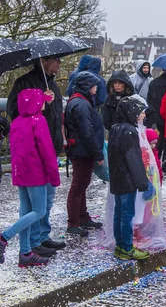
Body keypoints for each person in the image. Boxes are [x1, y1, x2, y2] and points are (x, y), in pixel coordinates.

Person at [7, 56, 65, 253]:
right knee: (38, 203)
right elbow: (15, 110)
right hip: (38, 152)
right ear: (44, 61)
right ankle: (33, 241)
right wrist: (39, 101)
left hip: (50, 145)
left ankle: (40, 236)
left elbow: (57, 115)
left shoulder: (53, 84)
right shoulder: (24, 82)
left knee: (45, 200)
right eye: (56, 60)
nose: (59, 64)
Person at [0, 89, 60, 267]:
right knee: (39, 211)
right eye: (41, 100)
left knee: (25, 211)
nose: (43, 103)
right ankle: (4, 237)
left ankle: (25, 252)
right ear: (36, 103)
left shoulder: (18, 121)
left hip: (21, 172)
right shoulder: (38, 121)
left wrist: (47, 98)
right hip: (36, 173)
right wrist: (54, 175)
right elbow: (47, 151)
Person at [107, 96, 150, 260]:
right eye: (141, 112)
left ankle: (120, 245)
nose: (143, 116)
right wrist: (142, 182)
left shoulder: (115, 128)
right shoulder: (130, 131)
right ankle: (126, 247)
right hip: (127, 180)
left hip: (118, 179)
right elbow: (134, 159)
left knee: (119, 213)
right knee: (127, 214)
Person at [64, 72, 105, 236]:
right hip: (82, 151)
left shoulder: (80, 101)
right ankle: (73, 222)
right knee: (78, 186)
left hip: (81, 149)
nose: (96, 89)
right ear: (87, 86)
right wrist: (98, 154)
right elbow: (87, 132)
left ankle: (82, 216)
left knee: (82, 184)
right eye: (94, 86)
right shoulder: (81, 104)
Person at [146, 68, 166, 158]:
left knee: (157, 138)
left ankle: (156, 157)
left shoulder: (153, 82)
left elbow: (149, 100)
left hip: (155, 114)